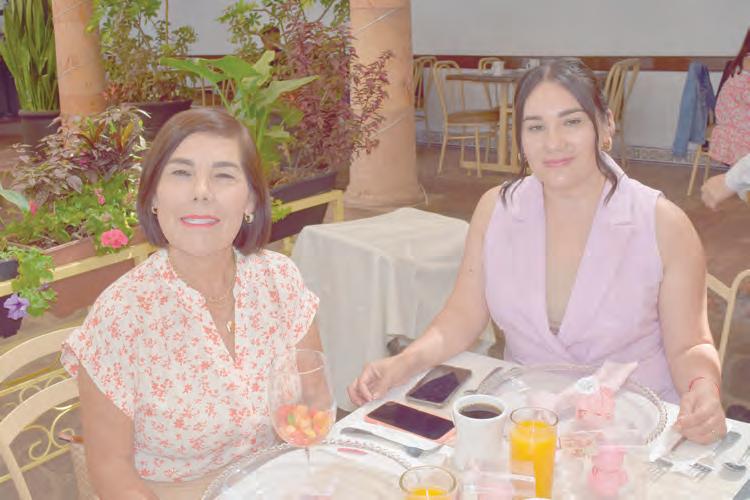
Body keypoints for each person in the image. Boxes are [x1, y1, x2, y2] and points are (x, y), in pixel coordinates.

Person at [349, 58, 725, 445]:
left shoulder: (662, 224)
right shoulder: (497, 210)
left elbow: (690, 345)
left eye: (571, 122)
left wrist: (704, 389)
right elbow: (463, 315)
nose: (553, 142)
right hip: (528, 421)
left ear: (606, 125)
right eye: (535, 127)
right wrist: (404, 362)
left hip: (632, 429)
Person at [61, 108, 321, 499]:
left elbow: (312, 401)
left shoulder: (279, 281)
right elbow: (110, 468)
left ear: (251, 200)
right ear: (153, 196)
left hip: (275, 480)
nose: (201, 191)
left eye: (223, 175)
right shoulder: (122, 315)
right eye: (181, 173)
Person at [709, 28, 750, 167]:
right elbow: (745, 95)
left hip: (734, 114)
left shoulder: (744, 59)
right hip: (734, 118)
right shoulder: (748, 60)